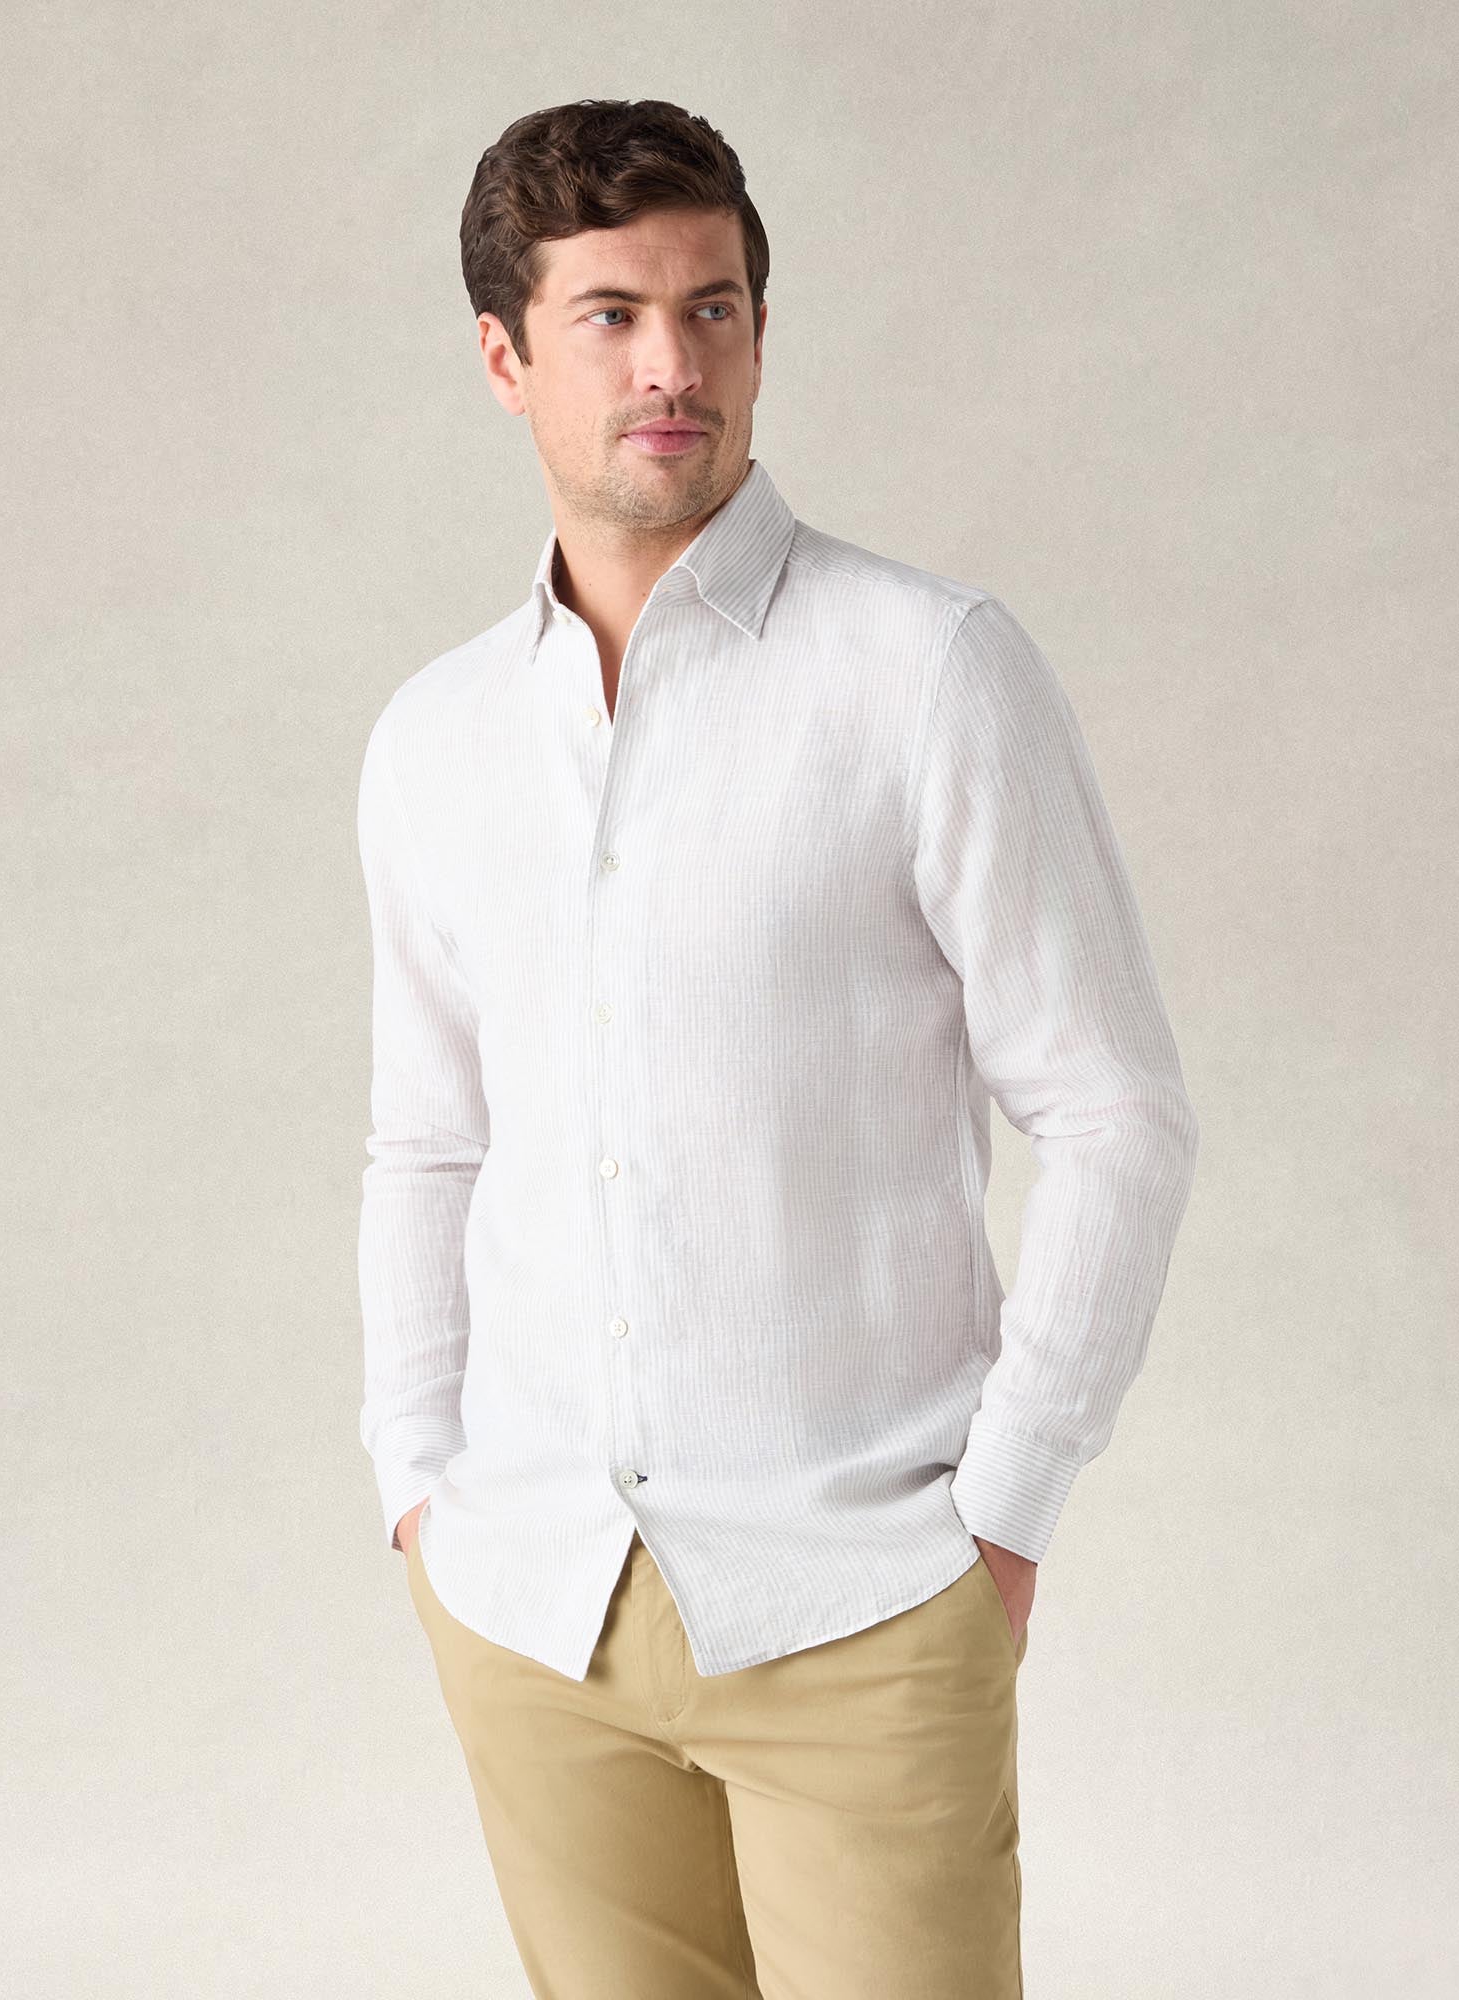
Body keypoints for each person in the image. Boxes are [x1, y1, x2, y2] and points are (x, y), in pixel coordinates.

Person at [355, 95, 1199, 2000]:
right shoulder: (434, 743)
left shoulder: (928, 670)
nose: (674, 365)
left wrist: (1004, 1513)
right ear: (502, 356)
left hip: (863, 1598)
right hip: (532, 1611)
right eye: (612, 316)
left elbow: (1117, 1113)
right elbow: (428, 1143)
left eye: (714, 309)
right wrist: (418, 1480)